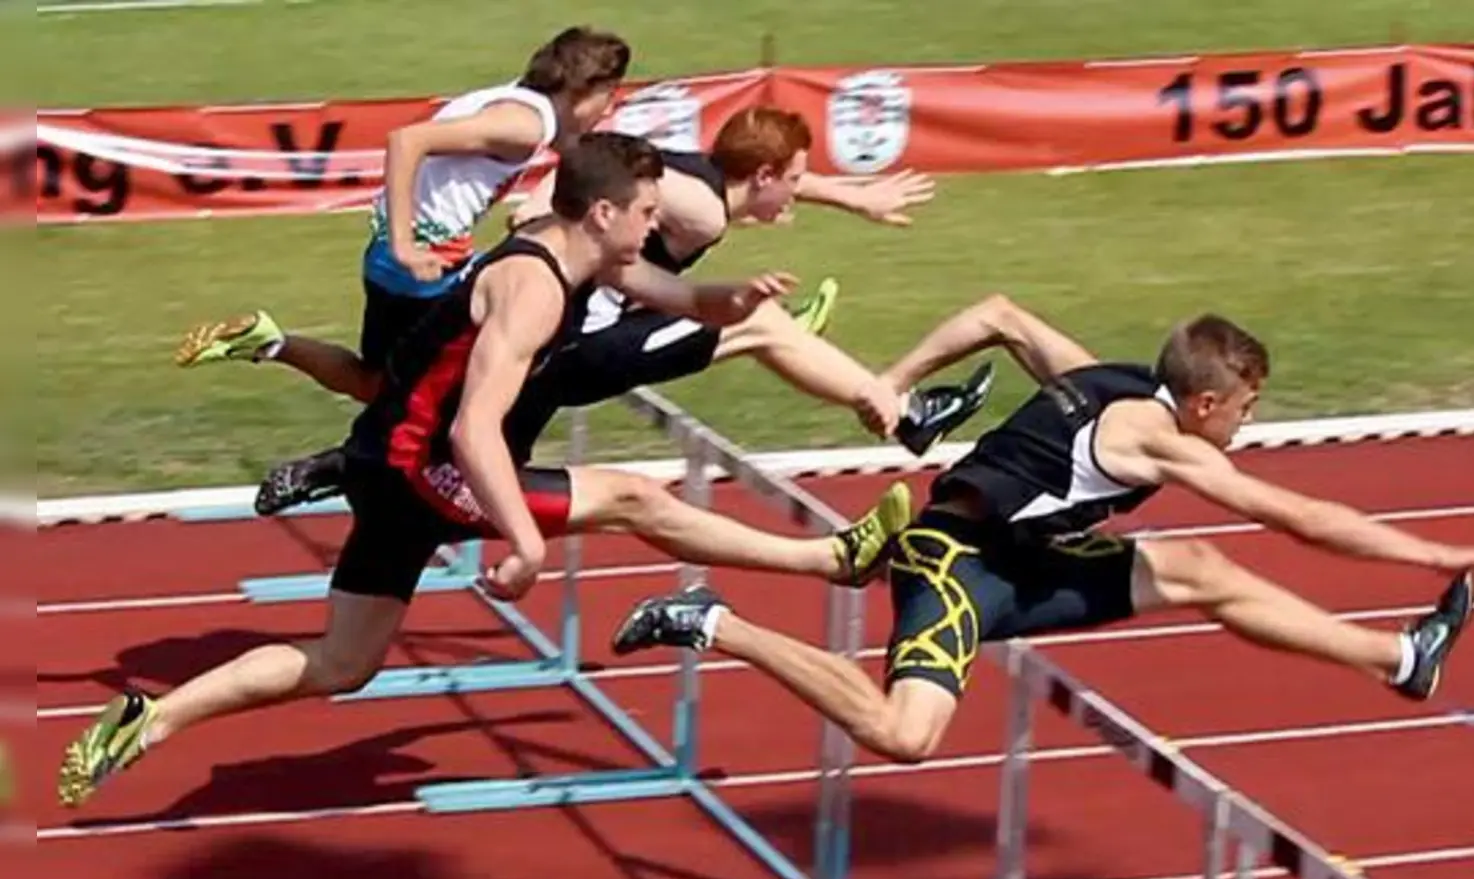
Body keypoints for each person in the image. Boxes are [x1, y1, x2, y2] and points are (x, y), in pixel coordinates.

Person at [58, 132, 914, 809]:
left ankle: (152, 718)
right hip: (418, 465)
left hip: (387, 456)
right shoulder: (534, 287)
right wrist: (521, 540)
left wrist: (730, 300)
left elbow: (677, 295)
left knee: (342, 664)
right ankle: (830, 559)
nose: (659, 224)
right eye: (648, 210)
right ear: (605, 212)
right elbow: (473, 428)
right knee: (633, 497)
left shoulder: (585, 245)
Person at [610, 294, 1474, 764]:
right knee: (905, 736)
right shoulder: (1166, 445)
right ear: (1205, 400)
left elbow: (999, 314)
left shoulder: (1106, 377)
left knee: (1200, 568)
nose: (1243, 425)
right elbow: (1297, 516)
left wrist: (888, 387)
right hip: (953, 566)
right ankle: (713, 623)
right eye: (1244, 409)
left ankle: (1400, 660)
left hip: (1027, 554)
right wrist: (1430, 548)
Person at [247, 106, 987, 517]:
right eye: (794, 182)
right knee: (759, 325)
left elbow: (614, 169)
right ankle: (898, 410)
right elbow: (631, 196)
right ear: (760, 176)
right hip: (578, 343)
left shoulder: (690, 177)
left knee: (470, 450)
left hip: (573, 327)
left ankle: (344, 466)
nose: (799, 192)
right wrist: (542, 220)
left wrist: (852, 196)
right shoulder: (698, 208)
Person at [172, 26, 632, 402]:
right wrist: (405, 244)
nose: (608, 109)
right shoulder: (522, 124)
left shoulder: (520, 100)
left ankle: (269, 342)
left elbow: (574, 153)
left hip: (400, 261)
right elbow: (406, 140)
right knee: (500, 361)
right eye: (609, 96)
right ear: (582, 90)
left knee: (373, 383)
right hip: (428, 263)